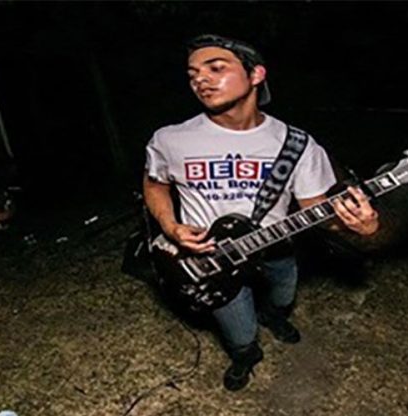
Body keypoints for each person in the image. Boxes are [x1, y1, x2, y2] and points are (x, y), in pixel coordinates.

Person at [143, 34, 379, 391]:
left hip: (277, 246)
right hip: (209, 258)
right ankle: (245, 355)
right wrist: (170, 225)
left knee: (283, 297)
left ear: (255, 75)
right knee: (239, 332)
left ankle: (274, 316)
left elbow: (316, 212)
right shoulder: (169, 139)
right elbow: (155, 183)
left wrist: (358, 225)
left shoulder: (298, 144)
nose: (200, 80)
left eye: (215, 68)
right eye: (192, 74)